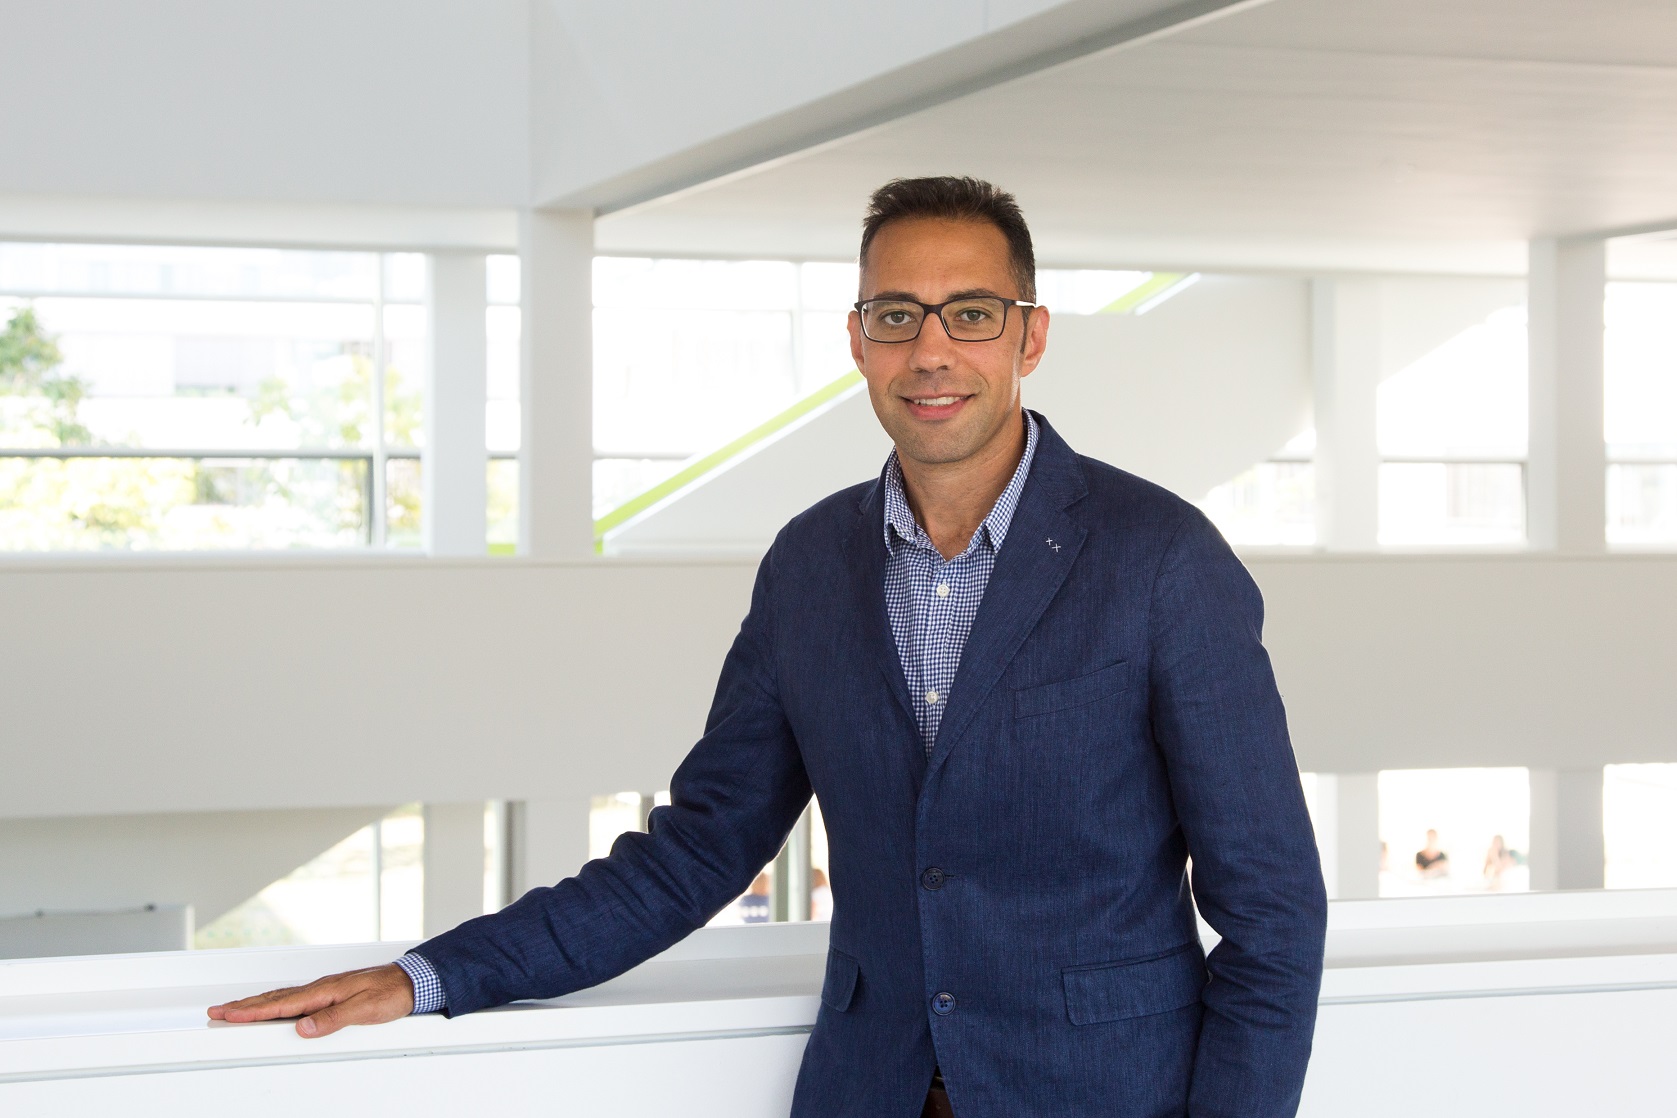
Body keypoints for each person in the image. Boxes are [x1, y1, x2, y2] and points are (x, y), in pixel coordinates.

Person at [210, 177, 1327, 1118]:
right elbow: (696, 852)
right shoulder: (809, 566)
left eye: (970, 313)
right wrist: (429, 973)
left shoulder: (1162, 558)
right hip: (869, 1087)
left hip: (1103, 1092)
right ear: (857, 339)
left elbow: (1273, 907)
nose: (931, 350)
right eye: (897, 315)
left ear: (1030, 334)